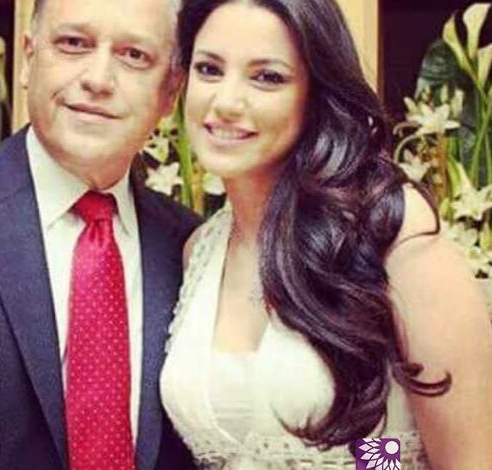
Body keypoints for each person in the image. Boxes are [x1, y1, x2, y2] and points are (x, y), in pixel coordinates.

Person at [160, 0, 492, 468]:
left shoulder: (389, 227)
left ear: (316, 94)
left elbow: (462, 458)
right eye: (209, 69)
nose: (227, 102)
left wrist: (370, 464)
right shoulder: (200, 250)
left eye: (267, 77)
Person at [0, 0, 199, 468]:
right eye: (73, 43)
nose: (99, 79)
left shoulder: (195, 249)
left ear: (171, 92)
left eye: (134, 55)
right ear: (29, 58)